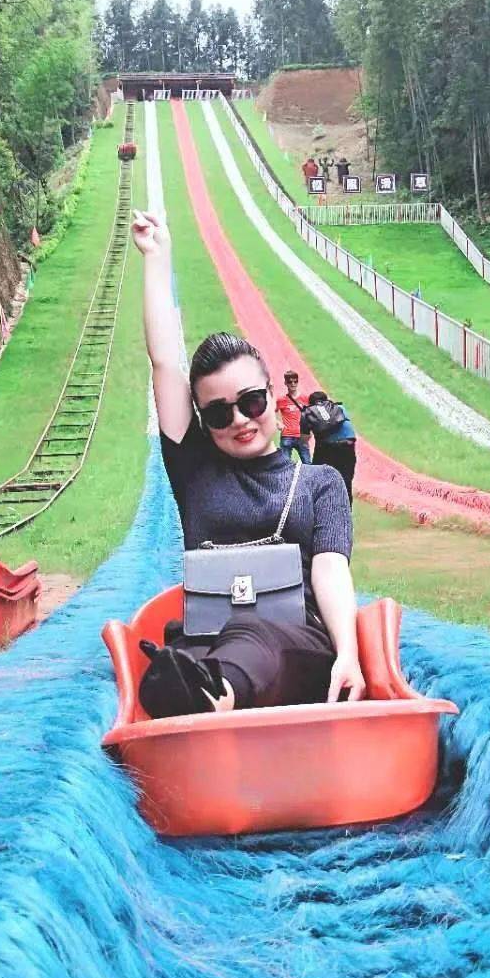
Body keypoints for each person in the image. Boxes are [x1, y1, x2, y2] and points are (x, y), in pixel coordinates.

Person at [129, 208, 365, 719]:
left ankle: (212, 698)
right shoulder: (196, 469)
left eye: (251, 402)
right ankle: (188, 688)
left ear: (272, 397)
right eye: (217, 412)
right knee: (189, 647)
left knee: (254, 634)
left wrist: (348, 649)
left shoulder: (320, 483)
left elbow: (330, 565)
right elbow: (166, 361)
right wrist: (156, 257)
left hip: (294, 645)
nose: (239, 419)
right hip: (208, 641)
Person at [304, 391, 357, 505]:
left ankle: (318, 508)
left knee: (317, 479)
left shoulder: (308, 412)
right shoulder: (339, 407)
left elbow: (304, 438)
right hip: (347, 446)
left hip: (327, 449)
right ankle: (347, 513)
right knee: (346, 482)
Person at [275, 371, 311, 465]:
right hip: (287, 436)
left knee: (308, 464)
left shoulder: (305, 398)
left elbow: (311, 414)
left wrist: (309, 431)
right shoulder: (281, 400)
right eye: (290, 382)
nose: (293, 384)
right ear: (285, 383)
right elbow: (271, 413)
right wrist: (278, 423)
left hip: (302, 436)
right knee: (284, 465)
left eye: (295, 381)